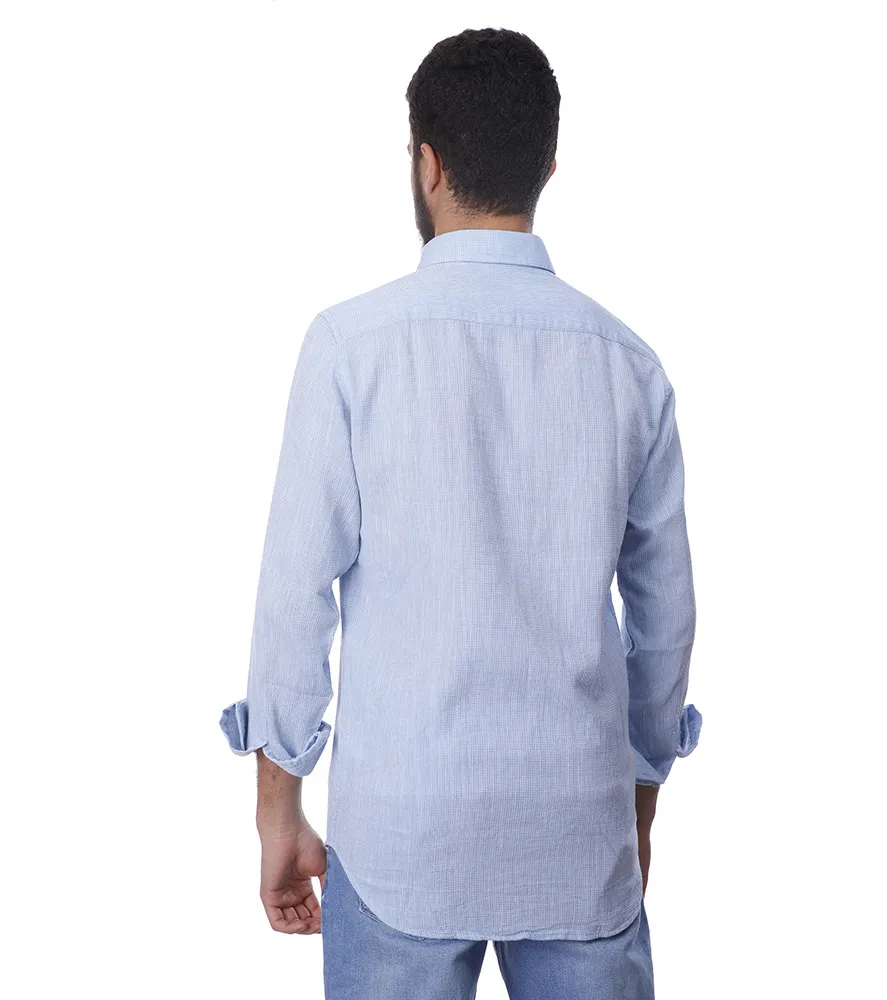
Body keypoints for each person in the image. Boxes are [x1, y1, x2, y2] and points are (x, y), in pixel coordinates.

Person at [220, 26, 701, 1000]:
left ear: (427, 165)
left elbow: (293, 593)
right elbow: (666, 620)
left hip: (402, 834)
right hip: (577, 836)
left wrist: (278, 811)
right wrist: (639, 808)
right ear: (547, 167)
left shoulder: (350, 349)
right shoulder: (630, 365)